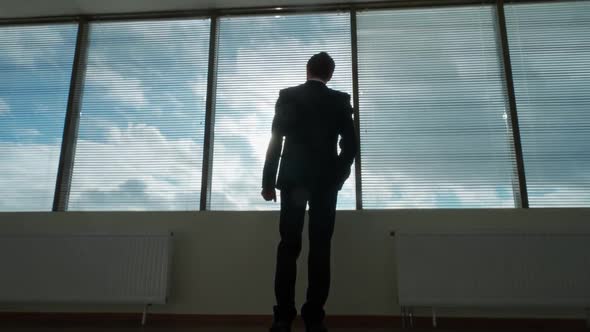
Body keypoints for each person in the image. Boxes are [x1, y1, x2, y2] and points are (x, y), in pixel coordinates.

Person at [261, 52, 358, 332]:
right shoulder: (339, 100)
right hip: (324, 183)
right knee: (320, 248)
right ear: (329, 74)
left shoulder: (288, 95)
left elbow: (275, 141)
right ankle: (314, 319)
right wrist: (336, 178)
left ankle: (282, 319)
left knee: (288, 248)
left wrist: (268, 182)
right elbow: (350, 147)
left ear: (307, 70)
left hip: (292, 181)